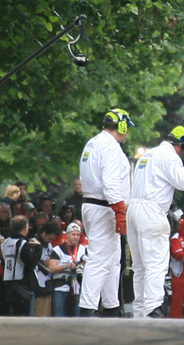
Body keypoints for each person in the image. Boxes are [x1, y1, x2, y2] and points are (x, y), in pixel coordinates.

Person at [127, 124, 184, 319]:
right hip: (151, 211)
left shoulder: (148, 154)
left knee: (140, 266)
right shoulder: (168, 156)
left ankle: (141, 310)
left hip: (133, 210)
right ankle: (153, 309)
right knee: (155, 264)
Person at [77, 107, 134, 317]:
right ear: (121, 125)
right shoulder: (110, 146)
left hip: (94, 205)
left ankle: (111, 306)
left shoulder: (93, 143)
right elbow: (110, 184)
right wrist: (120, 210)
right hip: (105, 207)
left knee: (112, 259)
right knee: (100, 259)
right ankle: (87, 308)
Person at [1, 214, 42, 316]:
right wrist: (38, 248)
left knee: (13, 313)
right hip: (22, 284)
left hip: (8, 283)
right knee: (24, 314)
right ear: (25, 228)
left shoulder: (5, 243)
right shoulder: (22, 244)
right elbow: (31, 262)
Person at [47, 221, 85, 317]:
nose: (76, 237)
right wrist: (67, 266)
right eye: (73, 234)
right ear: (67, 235)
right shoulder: (57, 250)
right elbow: (51, 268)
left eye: (78, 235)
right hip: (61, 287)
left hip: (77, 287)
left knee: (76, 316)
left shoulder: (84, 249)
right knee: (59, 315)